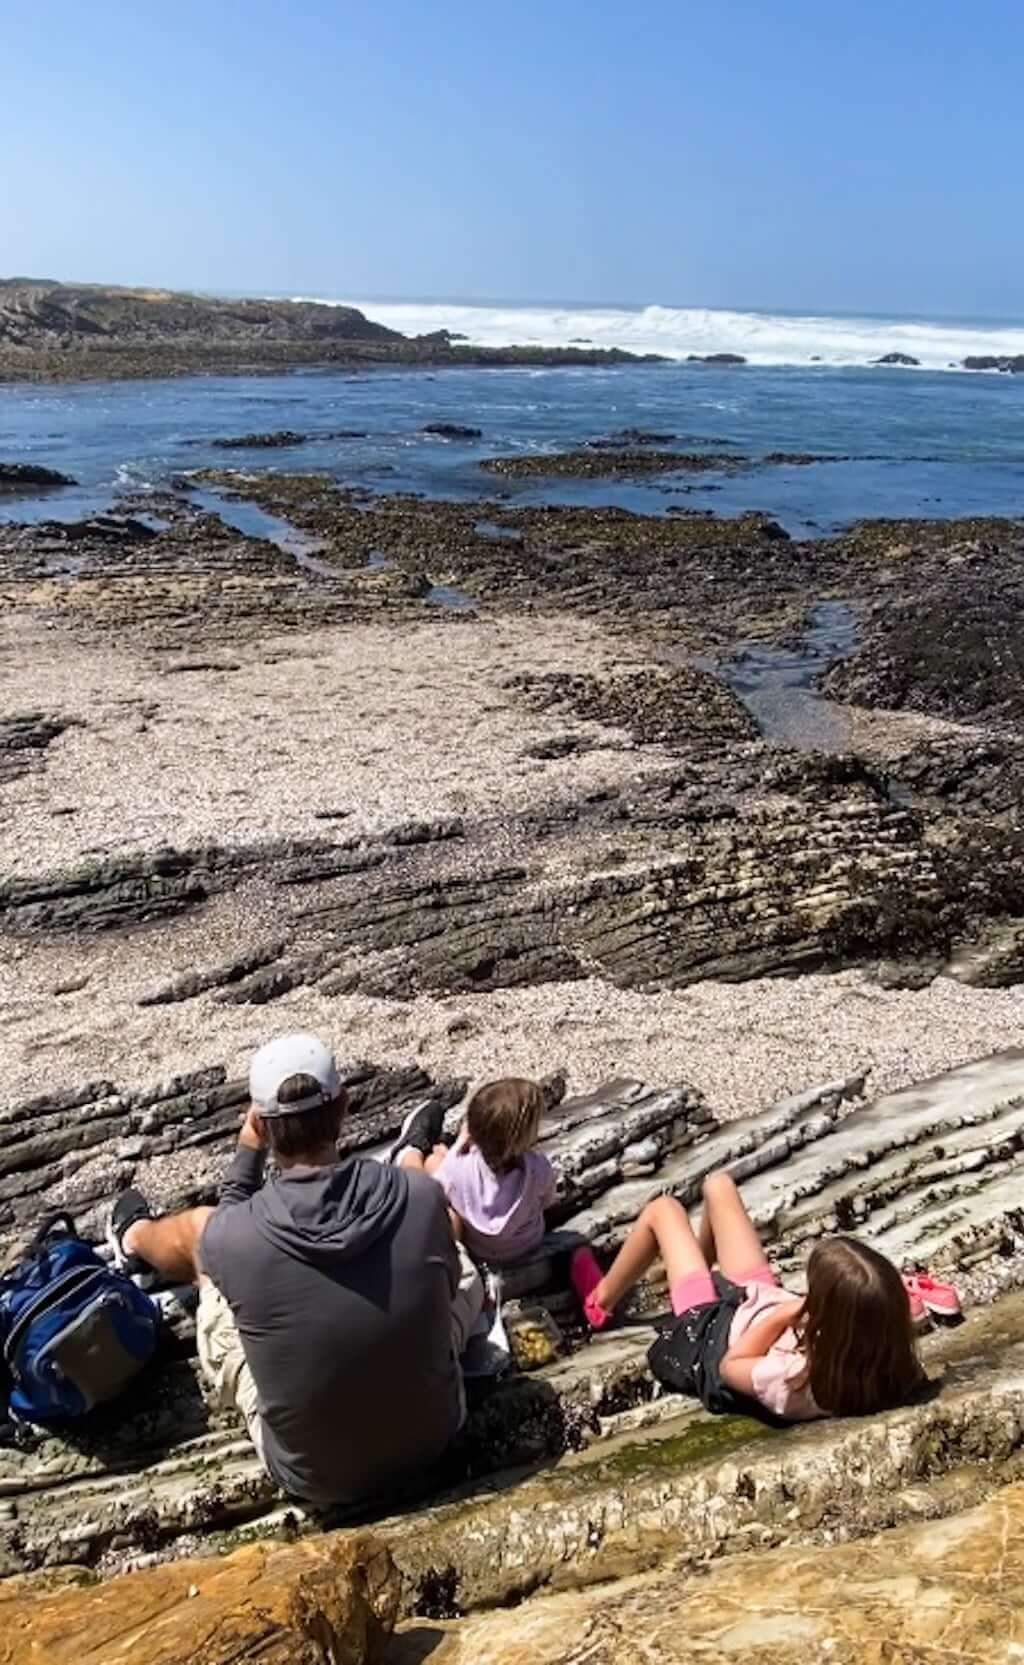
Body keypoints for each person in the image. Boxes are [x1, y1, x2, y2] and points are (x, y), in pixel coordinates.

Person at [107, 1033, 484, 1510]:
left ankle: (133, 1237)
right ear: (344, 1107)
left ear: (261, 1125)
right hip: (434, 1437)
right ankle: (410, 1146)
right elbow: (446, 1280)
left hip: (312, 1475)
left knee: (202, 1235)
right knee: (458, 1261)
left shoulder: (233, 1236)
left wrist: (247, 1154)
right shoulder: (419, 1196)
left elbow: (226, 1227)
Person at [570, 1171, 922, 1421]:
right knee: (718, 1186)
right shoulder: (887, 1361)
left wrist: (786, 1314)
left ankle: (600, 1302)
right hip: (756, 1299)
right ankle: (696, 1271)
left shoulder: (790, 1379)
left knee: (665, 1210)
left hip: (712, 1331)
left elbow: (730, 1367)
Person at [391, 1077, 556, 1267]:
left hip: (478, 1252)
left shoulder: (457, 1169)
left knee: (432, 1162)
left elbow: (435, 1190)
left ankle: (408, 1151)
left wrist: (450, 1154)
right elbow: (547, 1201)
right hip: (526, 1245)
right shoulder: (538, 1168)